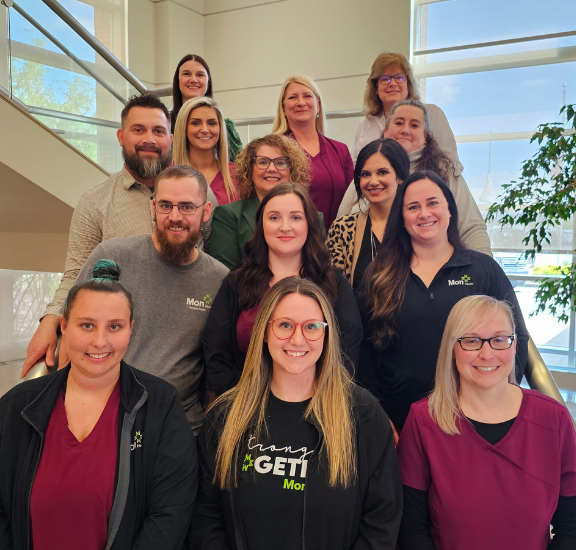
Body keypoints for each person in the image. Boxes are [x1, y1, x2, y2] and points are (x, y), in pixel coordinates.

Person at [191, 277, 402, 550]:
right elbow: (206, 518)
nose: (297, 339)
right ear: (265, 332)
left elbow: (382, 521)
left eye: (312, 327)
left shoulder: (363, 415)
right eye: (285, 325)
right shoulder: (225, 416)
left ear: (326, 335)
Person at [0, 261, 197, 549]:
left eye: (114, 326)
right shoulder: (17, 407)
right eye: (87, 325)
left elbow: (170, 513)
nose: (100, 341)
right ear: (64, 326)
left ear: (131, 329)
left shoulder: (160, 406)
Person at [397, 295, 576, 550]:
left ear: (514, 346)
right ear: (451, 349)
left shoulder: (554, 420)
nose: (487, 353)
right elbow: (412, 530)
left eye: (499, 340)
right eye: (471, 341)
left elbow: (571, 528)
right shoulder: (424, 420)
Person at [359, 171, 529, 434]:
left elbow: (516, 338)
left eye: (433, 203)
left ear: (450, 210)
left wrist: (499, 400)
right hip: (399, 422)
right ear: (402, 219)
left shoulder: (483, 270)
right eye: (413, 207)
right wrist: (378, 416)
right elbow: (365, 353)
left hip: (472, 419)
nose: (424, 213)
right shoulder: (380, 275)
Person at [22, 94, 178, 377]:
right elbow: (75, 274)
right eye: (138, 129)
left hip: (179, 348)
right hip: (116, 353)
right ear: (121, 136)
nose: (149, 139)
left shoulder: (199, 197)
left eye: (158, 131)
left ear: (171, 138)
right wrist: (50, 320)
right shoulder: (95, 203)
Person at [74, 165, 229, 433]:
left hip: (180, 430)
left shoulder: (219, 279)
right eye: (166, 205)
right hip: (106, 420)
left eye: (187, 207)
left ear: (205, 212)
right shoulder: (112, 256)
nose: (175, 217)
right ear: (153, 207)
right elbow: (74, 335)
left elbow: (217, 362)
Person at [203, 182, 363, 397]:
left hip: (319, 402)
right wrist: (241, 401)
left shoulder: (332, 282)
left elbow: (348, 352)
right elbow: (217, 351)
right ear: (261, 225)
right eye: (274, 217)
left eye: (296, 217)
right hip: (245, 403)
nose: (285, 226)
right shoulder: (237, 282)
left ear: (309, 224)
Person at [339, 99, 491, 256]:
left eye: (414, 125)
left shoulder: (444, 172)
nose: (405, 130)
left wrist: (487, 272)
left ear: (425, 136)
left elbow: (472, 229)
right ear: (385, 131)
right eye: (398, 123)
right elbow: (340, 226)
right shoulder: (367, 171)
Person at [210, 134, 311, 269]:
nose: (271, 169)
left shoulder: (312, 216)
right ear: (249, 168)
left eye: (280, 162)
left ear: (292, 170)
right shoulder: (228, 216)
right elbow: (224, 273)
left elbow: (316, 269)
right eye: (263, 162)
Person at [272, 75, 353, 231]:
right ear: (283, 109)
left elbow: (352, 200)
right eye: (293, 97)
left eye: (307, 96)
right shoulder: (273, 149)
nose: (301, 102)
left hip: (336, 244)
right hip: (290, 240)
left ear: (318, 105)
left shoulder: (340, 151)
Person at [353, 51, 461, 168]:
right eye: (385, 79)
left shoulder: (432, 114)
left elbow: (451, 164)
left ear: (408, 84)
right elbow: (357, 169)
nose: (392, 83)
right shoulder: (365, 125)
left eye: (399, 77)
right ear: (375, 87)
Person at [327, 138, 409, 289]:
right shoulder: (342, 228)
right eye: (365, 174)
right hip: (353, 312)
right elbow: (333, 290)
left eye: (382, 172)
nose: (373, 181)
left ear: (400, 177)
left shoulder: (415, 225)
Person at [170, 53, 242, 160]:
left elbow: (241, 166)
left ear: (208, 81)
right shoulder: (165, 124)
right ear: (177, 80)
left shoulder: (226, 127)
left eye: (200, 75)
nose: (193, 79)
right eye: (186, 74)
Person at [173, 95, 239, 207]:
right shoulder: (169, 175)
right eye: (195, 123)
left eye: (212, 123)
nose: (204, 130)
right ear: (183, 128)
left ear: (220, 129)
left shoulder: (238, 175)